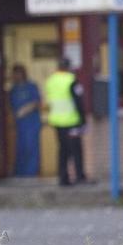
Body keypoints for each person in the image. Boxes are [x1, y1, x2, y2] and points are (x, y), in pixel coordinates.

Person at [44, 57, 87, 186]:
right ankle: (79, 176)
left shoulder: (50, 81)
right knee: (76, 149)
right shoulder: (71, 80)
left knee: (63, 150)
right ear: (68, 67)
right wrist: (83, 120)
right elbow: (78, 101)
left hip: (57, 121)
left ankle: (63, 178)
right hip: (71, 121)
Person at [8, 64, 41, 177]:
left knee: (31, 148)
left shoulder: (31, 86)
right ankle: (20, 173)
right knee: (21, 149)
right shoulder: (13, 90)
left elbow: (36, 102)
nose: (15, 76)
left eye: (17, 73)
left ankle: (31, 174)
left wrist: (24, 110)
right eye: (14, 74)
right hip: (19, 125)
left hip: (31, 123)